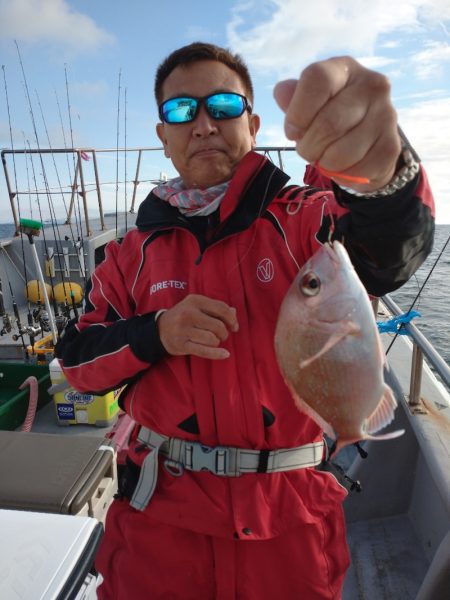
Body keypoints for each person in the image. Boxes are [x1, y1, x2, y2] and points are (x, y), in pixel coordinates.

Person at [56, 42, 435, 599]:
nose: (204, 124)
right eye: (182, 111)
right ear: (163, 135)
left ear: (252, 123)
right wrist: (155, 333)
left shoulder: (305, 218)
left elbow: (388, 243)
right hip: (159, 523)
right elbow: (77, 361)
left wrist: (384, 171)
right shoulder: (128, 255)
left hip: (291, 526)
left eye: (224, 106)